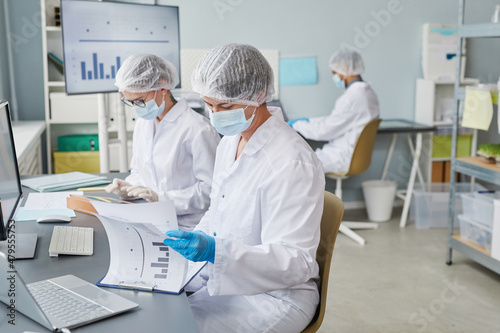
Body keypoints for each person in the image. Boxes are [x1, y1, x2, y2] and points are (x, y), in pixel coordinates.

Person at [163, 43, 325, 333]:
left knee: (174, 326)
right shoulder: (230, 141)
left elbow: (296, 262)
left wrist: (216, 251)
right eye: (209, 105)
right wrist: (198, 236)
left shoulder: (292, 161)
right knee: (157, 311)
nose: (215, 115)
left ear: (258, 93)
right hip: (228, 281)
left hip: (275, 298)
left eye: (224, 106)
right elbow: (218, 209)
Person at [106, 54, 221, 230]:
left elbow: (212, 191)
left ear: (162, 87)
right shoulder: (143, 124)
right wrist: (129, 189)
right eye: (130, 102)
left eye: (140, 101)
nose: (136, 108)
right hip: (151, 220)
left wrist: (161, 199)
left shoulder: (197, 129)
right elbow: (140, 172)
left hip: (189, 227)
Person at [287, 49, 380, 174]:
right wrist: (309, 121)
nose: (335, 77)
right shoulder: (367, 93)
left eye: (335, 73)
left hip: (341, 156)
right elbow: (337, 120)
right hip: (347, 152)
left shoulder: (352, 98)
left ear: (346, 68)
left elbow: (324, 131)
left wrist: (297, 125)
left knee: (295, 168)